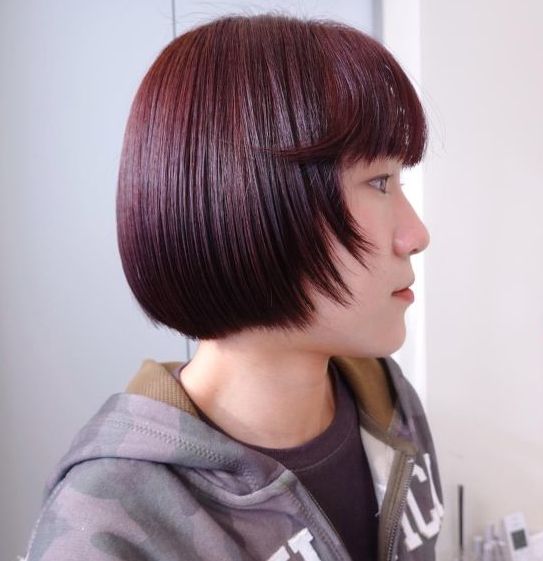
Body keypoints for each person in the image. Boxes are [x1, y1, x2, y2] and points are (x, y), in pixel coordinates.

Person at [23, 12, 444, 561]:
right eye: (379, 182)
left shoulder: (386, 402)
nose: (416, 234)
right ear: (252, 202)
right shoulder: (112, 522)